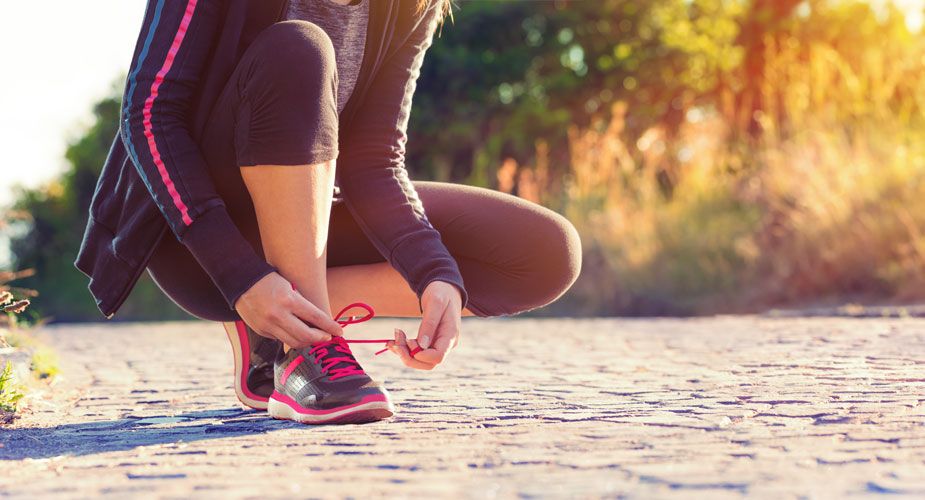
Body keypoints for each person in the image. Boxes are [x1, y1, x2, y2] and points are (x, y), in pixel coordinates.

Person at [75, 0, 581, 425]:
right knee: (299, 48)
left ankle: (285, 319)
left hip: (310, 213)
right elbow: (148, 114)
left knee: (545, 253)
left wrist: (432, 273)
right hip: (200, 244)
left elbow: (373, 160)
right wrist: (238, 274)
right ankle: (306, 355)